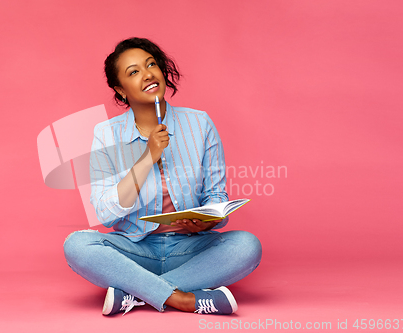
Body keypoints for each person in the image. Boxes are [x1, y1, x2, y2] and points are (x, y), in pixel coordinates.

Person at [63, 37, 261, 316]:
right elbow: (105, 214)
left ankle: (137, 293)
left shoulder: (200, 123)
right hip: (134, 250)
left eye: (151, 64)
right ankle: (183, 299)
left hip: (191, 250)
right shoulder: (105, 134)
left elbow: (216, 196)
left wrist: (207, 223)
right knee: (77, 245)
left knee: (247, 245)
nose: (147, 74)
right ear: (120, 90)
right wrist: (147, 158)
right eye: (133, 72)